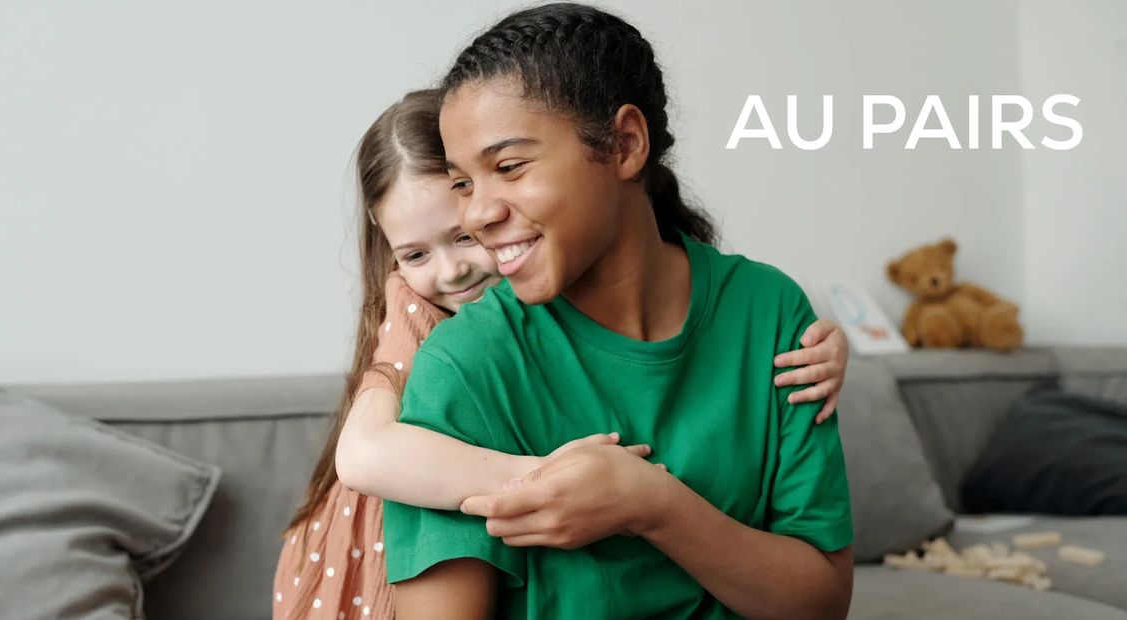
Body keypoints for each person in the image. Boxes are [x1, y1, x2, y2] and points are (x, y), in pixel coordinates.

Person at [274, 82, 849, 618]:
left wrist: (831, 343)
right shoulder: (433, 343)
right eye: (415, 255)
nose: (452, 271)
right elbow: (364, 455)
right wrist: (573, 479)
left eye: (463, 237)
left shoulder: (751, 305)